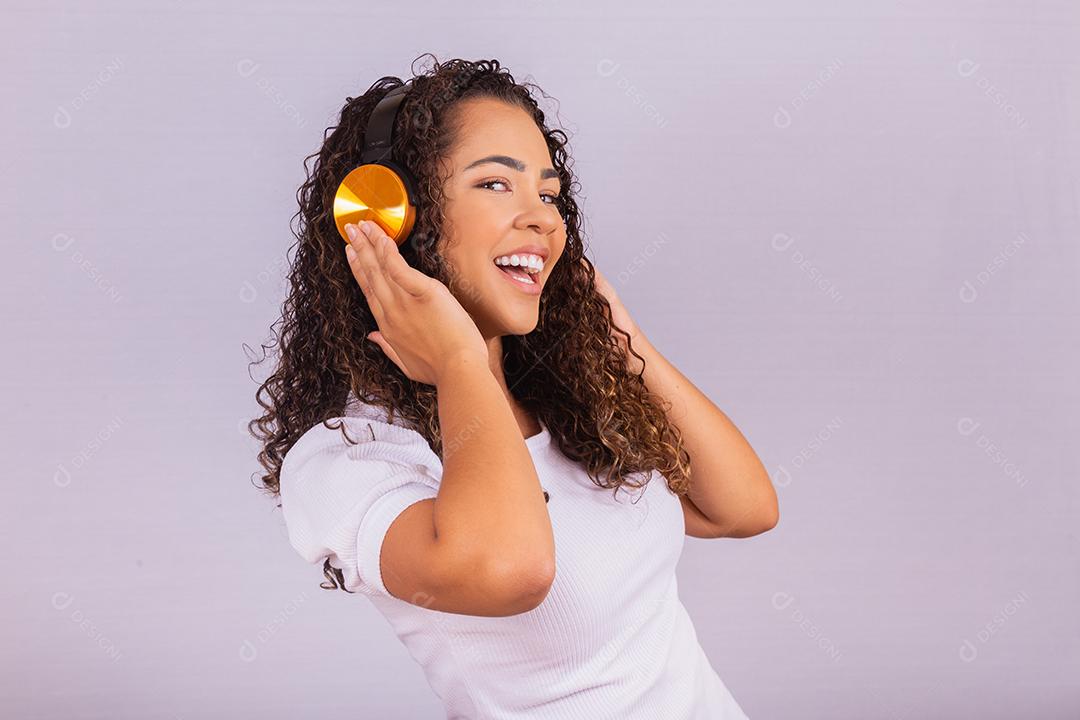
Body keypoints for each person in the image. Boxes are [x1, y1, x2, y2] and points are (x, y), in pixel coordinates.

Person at [249, 54, 776, 719]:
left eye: (549, 194)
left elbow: (743, 508)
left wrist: (617, 331)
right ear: (392, 218)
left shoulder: (561, 404)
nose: (544, 220)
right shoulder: (348, 455)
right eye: (496, 184)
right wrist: (458, 365)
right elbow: (510, 571)